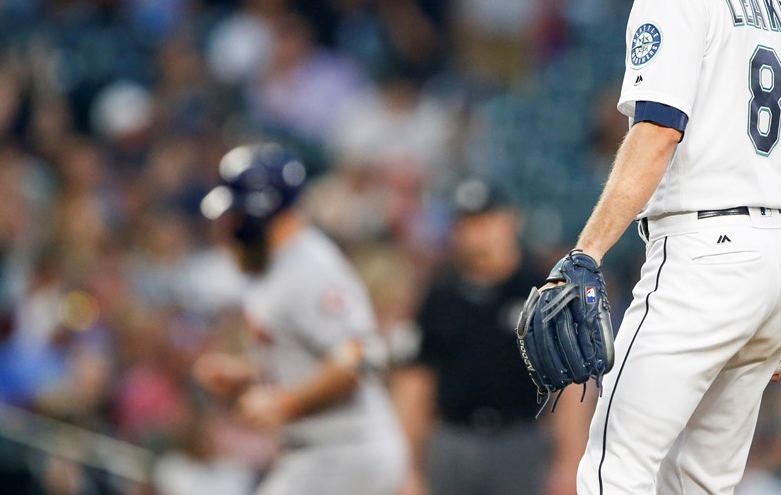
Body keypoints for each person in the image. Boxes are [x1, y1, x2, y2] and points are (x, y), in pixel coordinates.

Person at [561, 0, 781, 495]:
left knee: (612, 466)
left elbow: (657, 130)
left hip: (703, 260)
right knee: (703, 483)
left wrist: (585, 254)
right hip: (774, 265)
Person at [194, 143, 408, 495]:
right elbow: (307, 354)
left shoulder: (309, 270)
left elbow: (360, 356)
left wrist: (284, 403)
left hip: (345, 453)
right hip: (322, 454)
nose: (229, 222)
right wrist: (247, 373)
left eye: (235, 212)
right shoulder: (275, 264)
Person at [393, 178, 588, 495]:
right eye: (467, 223)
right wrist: (406, 467)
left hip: (521, 442)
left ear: (510, 220)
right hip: (452, 440)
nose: (477, 233)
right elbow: (415, 383)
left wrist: (570, 462)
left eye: (486, 220)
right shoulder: (439, 295)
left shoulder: (542, 290)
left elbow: (571, 384)